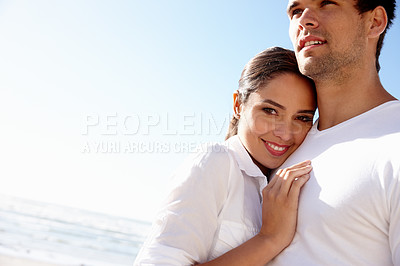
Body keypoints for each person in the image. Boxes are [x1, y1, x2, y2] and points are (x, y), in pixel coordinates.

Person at [134, 47, 317, 265]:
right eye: (270, 111)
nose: (285, 133)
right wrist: (269, 239)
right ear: (238, 105)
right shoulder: (216, 162)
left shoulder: (281, 182)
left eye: (302, 118)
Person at [268, 1, 400, 265]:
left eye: (326, 3)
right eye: (295, 11)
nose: (304, 20)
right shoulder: (279, 146)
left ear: (374, 22)